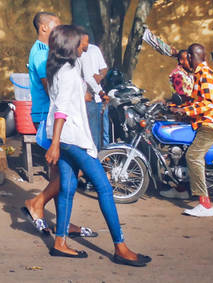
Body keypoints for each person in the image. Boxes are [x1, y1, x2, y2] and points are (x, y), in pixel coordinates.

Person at [44, 24, 150, 265]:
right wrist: (55, 144)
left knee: (68, 188)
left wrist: (98, 93)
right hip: (71, 139)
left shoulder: (60, 67)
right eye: (81, 42)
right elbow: (61, 110)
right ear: (70, 45)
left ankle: (60, 242)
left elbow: (83, 87)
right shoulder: (69, 71)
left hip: (64, 138)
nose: (85, 46)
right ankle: (120, 247)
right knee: (104, 188)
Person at [22, 12, 96, 239]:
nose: (60, 28)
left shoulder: (48, 52)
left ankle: (62, 222)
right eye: (56, 25)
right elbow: (51, 88)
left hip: (53, 115)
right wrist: (76, 95)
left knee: (61, 172)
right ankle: (36, 202)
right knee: (72, 169)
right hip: (49, 116)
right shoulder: (41, 53)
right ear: (44, 27)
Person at [171, 43, 213, 217]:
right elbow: (197, 100)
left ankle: (205, 204)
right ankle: (182, 188)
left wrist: (185, 111)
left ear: (189, 56)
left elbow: (208, 103)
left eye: (186, 57)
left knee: (193, 156)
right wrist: (174, 107)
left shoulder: (204, 74)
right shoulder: (199, 74)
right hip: (202, 122)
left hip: (210, 123)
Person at [161, 49, 194, 198]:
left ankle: (184, 187)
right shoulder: (178, 74)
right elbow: (182, 95)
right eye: (188, 59)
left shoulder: (189, 73)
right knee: (180, 151)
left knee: (187, 152)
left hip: (191, 114)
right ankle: (182, 187)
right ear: (181, 61)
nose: (191, 61)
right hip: (184, 115)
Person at [76, 27, 108, 149]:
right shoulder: (81, 56)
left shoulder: (90, 51)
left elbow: (102, 69)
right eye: (85, 42)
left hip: (88, 98)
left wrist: (100, 77)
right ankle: (95, 160)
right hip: (88, 99)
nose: (87, 45)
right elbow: (89, 78)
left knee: (97, 132)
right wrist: (101, 93)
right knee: (93, 134)